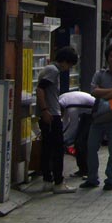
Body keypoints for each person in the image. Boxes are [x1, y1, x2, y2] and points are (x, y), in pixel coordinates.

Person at [82, 42, 112, 191]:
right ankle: (92, 178)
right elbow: (93, 91)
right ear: (107, 58)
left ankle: (111, 180)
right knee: (91, 148)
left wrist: (103, 91)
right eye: (111, 56)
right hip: (98, 118)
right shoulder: (99, 74)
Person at [36, 45, 79, 193]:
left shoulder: (50, 69)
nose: (69, 68)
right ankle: (58, 182)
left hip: (49, 113)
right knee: (57, 149)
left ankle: (48, 180)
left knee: (47, 148)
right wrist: (45, 110)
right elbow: (40, 89)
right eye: (70, 64)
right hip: (51, 115)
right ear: (65, 61)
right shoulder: (53, 71)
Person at [59, 89, 95, 178]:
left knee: (80, 142)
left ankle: (86, 170)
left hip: (94, 113)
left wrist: (64, 139)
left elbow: (73, 126)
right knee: (78, 142)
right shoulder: (62, 100)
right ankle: (82, 170)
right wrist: (60, 134)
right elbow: (65, 121)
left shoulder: (71, 107)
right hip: (85, 113)